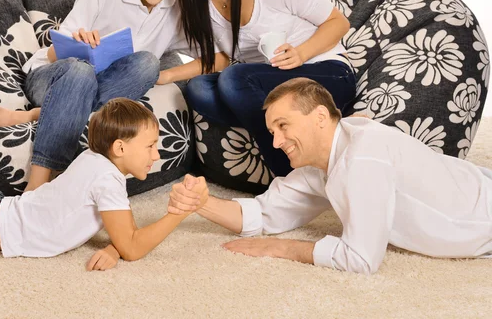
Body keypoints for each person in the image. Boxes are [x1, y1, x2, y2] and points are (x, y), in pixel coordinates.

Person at [167, 78, 492, 274]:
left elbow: (362, 258)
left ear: (320, 117)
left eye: (283, 126)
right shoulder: (319, 163)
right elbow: (265, 214)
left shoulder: (361, 157)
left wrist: (282, 249)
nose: (276, 143)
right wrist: (202, 203)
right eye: (271, 131)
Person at [0, 0, 194, 191]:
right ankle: (37, 183)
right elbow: (52, 53)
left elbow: (213, 55)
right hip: (52, 77)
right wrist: (77, 44)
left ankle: (36, 116)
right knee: (80, 71)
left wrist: (169, 75)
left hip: (102, 87)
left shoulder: (176, 8)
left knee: (148, 64)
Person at [0, 98, 208, 270]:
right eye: (151, 145)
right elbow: (134, 246)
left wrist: (115, 248)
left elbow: (124, 231)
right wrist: (179, 214)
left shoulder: (94, 159)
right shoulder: (108, 181)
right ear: (120, 149)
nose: (157, 153)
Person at [158, 0, 356, 180]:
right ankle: (295, 130)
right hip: (269, 82)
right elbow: (223, 58)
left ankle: (288, 176)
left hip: (325, 72)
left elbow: (338, 22)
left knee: (233, 80)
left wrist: (302, 53)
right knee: (198, 89)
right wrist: (167, 75)